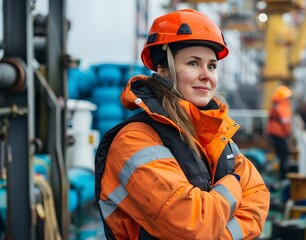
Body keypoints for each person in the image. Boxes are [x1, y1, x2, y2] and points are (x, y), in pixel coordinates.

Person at [95, 9, 270, 240]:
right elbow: (194, 223)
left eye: (212, 66)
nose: (207, 75)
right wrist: (233, 182)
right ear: (163, 70)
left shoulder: (216, 135)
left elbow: (258, 195)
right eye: (193, 63)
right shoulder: (135, 140)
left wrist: (219, 235)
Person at [267, 85, 293, 179]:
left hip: (274, 133)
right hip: (280, 134)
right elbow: (285, 122)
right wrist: (288, 133)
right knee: (284, 154)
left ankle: (280, 172)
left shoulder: (276, 105)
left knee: (280, 154)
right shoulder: (282, 106)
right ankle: (283, 175)